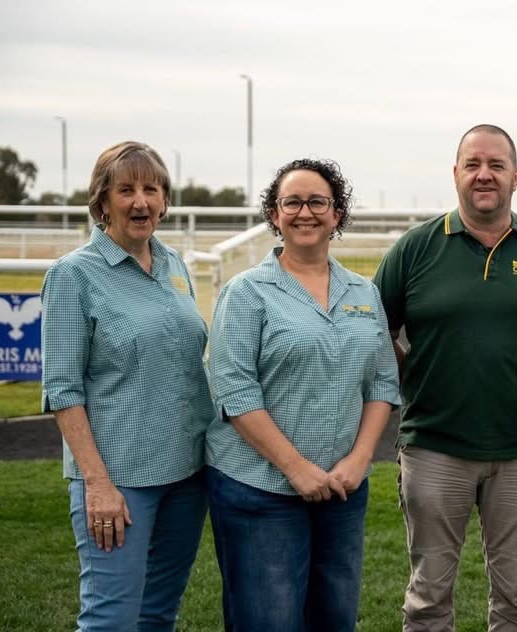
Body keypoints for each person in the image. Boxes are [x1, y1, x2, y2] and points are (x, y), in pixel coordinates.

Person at [374, 124, 517, 631]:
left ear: (516, 176)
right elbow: (375, 335)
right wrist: (422, 382)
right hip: (433, 446)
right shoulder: (414, 249)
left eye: (496, 165)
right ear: (455, 173)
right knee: (428, 598)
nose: (484, 174)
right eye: (473, 164)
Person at [206, 158, 400, 632]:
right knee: (269, 620)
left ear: (337, 214)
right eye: (292, 202)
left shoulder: (363, 292)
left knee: (335, 618)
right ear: (274, 215)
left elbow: (381, 380)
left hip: (341, 489)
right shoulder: (247, 293)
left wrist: (359, 460)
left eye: (318, 201)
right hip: (261, 489)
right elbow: (234, 391)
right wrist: (296, 469)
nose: (305, 212)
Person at [41, 141, 214, 630]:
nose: (141, 202)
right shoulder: (72, 276)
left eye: (151, 189)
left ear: (164, 200)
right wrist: (97, 484)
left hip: (187, 473)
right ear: (101, 201)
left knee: (158, 614)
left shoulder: (174, 265)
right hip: (118, 480)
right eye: (126, 190)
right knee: (110, 619)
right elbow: (62, 389)